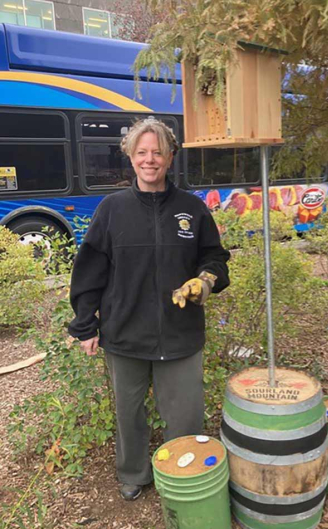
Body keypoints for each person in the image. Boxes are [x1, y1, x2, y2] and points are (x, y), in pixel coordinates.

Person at [68, 117, 230, 501]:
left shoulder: (192, 209)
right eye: (142, 152)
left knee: (186, 416)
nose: (150, 159)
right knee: (129, 414)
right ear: (130, 157)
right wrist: (85, 325)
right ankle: (134, 473)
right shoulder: (112, 209)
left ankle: (185, 472)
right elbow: (90, 271)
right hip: (124, 333)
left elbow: (216, 259)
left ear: (170, 157)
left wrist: (205, 280)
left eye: (158, 152)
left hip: (181, 332)